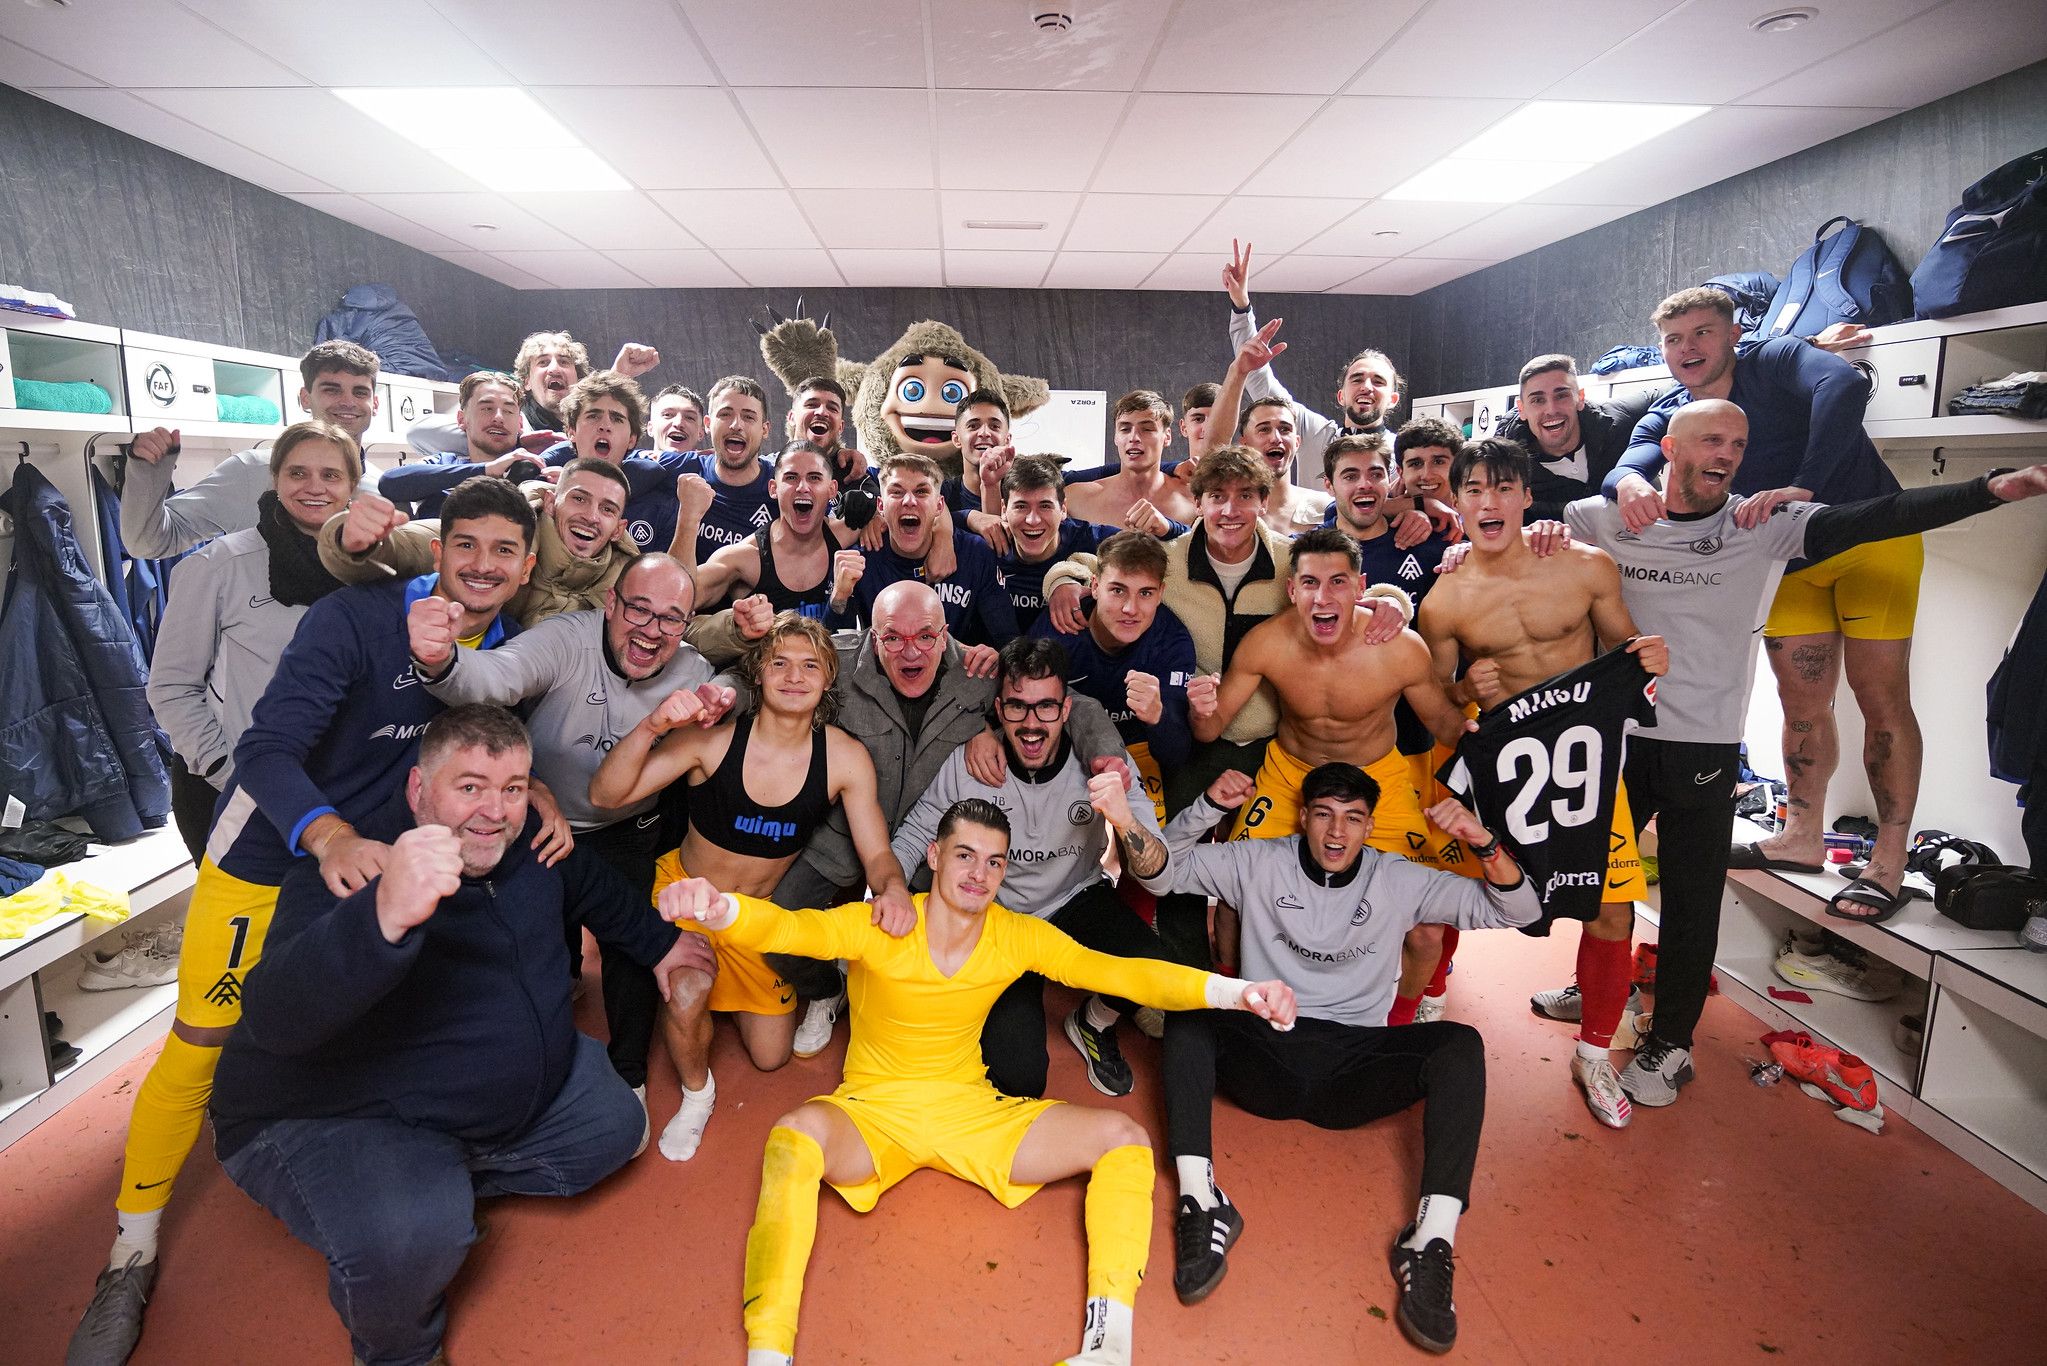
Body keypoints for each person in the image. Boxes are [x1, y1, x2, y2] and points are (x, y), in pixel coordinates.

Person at [67, 478, 546, 1365]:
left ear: (524, 569)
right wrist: (324, 834)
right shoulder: (357, 615)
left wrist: (536, 789)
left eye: (503, 551)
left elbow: (475, 752)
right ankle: (129, 1251)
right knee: (204, 1037)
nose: (482, 565)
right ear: (437, 551)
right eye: (465, 545)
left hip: (372, 869)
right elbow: (264, 749)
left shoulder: (503, 647)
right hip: (277, 853)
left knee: (354, 1017)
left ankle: (382, 1192)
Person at [658, 800, 1298, 1366]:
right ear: (934, 856)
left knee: (1123, 1138)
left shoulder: (1015, 934)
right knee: (792, 1137)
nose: (978, 874)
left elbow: (1122, 973)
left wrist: (1239, 993)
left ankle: (1110, 1347)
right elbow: (792, 930)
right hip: (874, 1114)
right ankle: (770, 1352)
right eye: (964, 855)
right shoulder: (881, 923)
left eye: (994, 863)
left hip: (971, 1113)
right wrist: (722, 910)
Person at [1567, 401, 2047, 1106]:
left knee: (1692, 898)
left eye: (1738, 441)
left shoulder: (1761, 527)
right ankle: (1593, 993)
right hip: (1614, 738)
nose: (1726, 452)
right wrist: (1479, 541)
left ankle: (1670, 1042)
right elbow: (1513, 531)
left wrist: (1985, 490)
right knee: (1595, 885)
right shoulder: (1603, 517)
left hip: (1700, 741)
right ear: (1669, 446)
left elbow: (1878, 515)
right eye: (1710, 439)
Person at [206, 706, 704, 1366]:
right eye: (468, 786)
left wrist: (664, 947)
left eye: (512, 788)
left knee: (616, 1129)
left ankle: (440, 1180)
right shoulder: (358, 868)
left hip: (470, 1099)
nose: (492, 811)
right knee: (415, 1234)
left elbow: (595, 891)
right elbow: (273, 1017)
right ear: (418, 792)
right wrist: (381, 918)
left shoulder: (532, 844)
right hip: (332, 1113)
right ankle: (400, 1347)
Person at [1136, 762, 1538, 1352]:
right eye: (1323, 813)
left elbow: (1520, 911)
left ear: (1370, 826)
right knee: (1188, 1003)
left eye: (1352, 819)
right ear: (1303, 816)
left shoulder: (1401, 878)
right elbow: (1158, 877)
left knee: (1461, 1044)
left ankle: (1431, 1240)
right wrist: (1207, 808)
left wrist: (1485, 842)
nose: (1335, 832)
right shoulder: (1259, 860)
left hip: (1356, 1068)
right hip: (1267, 1052)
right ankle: (1202, 1200)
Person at [1608, 287, 1925, 919]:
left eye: (1702, 333)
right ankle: (1803, 836)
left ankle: (1889, 863)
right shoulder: (1671, 410)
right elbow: (1626, 464)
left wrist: (1806, 483)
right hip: (1788, 564)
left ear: (1732, 335)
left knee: (1880, 697)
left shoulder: (1775, 361)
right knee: (1801, 703)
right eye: (1674, 339)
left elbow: (1841, 386)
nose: (1688, 349)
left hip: (1870, 540)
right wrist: (1633, 483)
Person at [408, 553, 736, 1108]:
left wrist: (730, 692)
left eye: (671, 619)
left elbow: (736, 685)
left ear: (687, 626)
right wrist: (443, 661)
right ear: (610, 604)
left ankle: (628, 1073)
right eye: (639, 609)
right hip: (543, 821)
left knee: (632, 944)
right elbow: (496, 677)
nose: (652, 631)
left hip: (629, 826)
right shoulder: (564, 639)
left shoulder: (692, 669)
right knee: (543, 947)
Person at [588, 613, 916, 1161]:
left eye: (810, 665)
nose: (794, 676)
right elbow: (604, 794)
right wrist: (650, 727)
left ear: (828, 679)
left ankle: (723, 1001)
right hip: (687, 896)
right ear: (758, 672)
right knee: (686, 992)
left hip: (753, 917)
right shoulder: (712, 742)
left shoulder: (843, 757)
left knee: (771, 1057)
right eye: (780, 662)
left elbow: (877, 852)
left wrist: (893, 889)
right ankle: (698, 1094)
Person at [1415, 438, 1668, 1127]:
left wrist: (1648, 655)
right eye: (1473, 490)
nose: (1488, 502)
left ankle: (1592, 1055)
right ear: (1457, 500)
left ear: (1527, 497)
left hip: (1583, 773)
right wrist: (1465, 685)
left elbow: (1626, 649)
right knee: (1444, 897)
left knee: (1612, 912)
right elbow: (1438, 712)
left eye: (1503, 488)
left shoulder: (1585, 567)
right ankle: (1428, 1006)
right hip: (1501, 772)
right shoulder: (1442, 600)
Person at [891, 637, 1171, 1100]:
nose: (1032, 724)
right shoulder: (972, 763)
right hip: (1001, 919)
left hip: (1074, 898)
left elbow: (1161, 877)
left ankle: (1092, 1023)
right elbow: (918, 830)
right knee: (1021, 1079)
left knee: (1154, 968)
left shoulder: (1103, 766)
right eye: (1018, 708)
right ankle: (982, 1003)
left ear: (1067, 710)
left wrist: (1123, 818)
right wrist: (885, 893)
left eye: (1046, 708)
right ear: (998, 710)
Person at [1189, 528, 1460, 1003]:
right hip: (1293, 772)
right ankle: (1233, 1003)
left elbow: (1446, 724)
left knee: (1425, 930)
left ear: (1361, 587)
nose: (1323, 597)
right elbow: (1209, 730)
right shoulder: (1266, 643)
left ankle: (1396, 1028)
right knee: (1233, 896)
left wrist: (1492, 700)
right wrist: (1199, 705)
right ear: (1292, 590)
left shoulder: (1400, 647)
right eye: (1310, 583)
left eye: (1338, 582)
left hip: (1377, 778)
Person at [146, 421, 359, 860]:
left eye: (331, 475)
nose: (313, 487)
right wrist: (228, 769)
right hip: (234, 793)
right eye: (297, 473)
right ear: (276, 480)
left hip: (337, 787)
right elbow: (170, 686)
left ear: (352, 487)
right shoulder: (219, 565)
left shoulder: (370, 568)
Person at [120, 339, 384, 562]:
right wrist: (149, 473)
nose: (348, 402)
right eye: (332, 389)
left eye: (360, 392)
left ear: (374, 403)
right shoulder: (251, 472)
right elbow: (148, 543)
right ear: (305, 397)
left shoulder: (385, 488)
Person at [318, 458, 636, 627]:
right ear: (551, 503)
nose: (591, 516)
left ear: (618, 528)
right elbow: (415, 545)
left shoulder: (626, 574)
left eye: (607, 509)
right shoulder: (507, 527)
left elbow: (680, 619)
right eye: (579, 499)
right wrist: (356, 541)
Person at [1030, 530, 1196, 827]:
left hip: (1139, 751)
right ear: (1094, 586)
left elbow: (1177, 757)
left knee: (1147, 848)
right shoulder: (1059, 631)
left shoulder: (1173, 641)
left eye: (1145, 593)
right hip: (1070, 747)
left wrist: (1158, 716)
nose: (1130, 609)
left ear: (1160, 593)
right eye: (1118, 590)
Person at [1223, 239, 1404, 476]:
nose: (1366, 387)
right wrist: (1241, 306)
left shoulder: (1404, 453)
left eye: (1378, 381)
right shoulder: (1315, 434)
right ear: (1341, 396)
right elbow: (1256, 375)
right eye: (1357, 379)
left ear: (1392, 399)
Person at [835, 452, 1018, 646]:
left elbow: (1007, 640)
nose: (909, 501)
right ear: (880, 505)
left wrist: (992, 657)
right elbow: (836, 649)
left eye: (921, 492)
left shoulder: (975, 554)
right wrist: (839, 597)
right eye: (896, 492)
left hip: (957, 672)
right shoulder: (861, 559)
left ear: (940, 506)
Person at [405, 330, 660, 458]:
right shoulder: (513, 418)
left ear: (578, 378)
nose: (554, 368)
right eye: (542, 362)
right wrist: (512, 440)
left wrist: (618, 375)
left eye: (564, 361)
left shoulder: (594, 427)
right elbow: (418, 434)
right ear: (526, 382)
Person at [685, 440, 850, 622]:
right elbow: (677, 598)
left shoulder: (847, 533)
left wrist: (871, 512)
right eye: (791, 477)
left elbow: (886, 520)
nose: (803, 487)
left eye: (814, 478)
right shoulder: (744, 558)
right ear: (773, 488)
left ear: (832, 489)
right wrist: (688, 519)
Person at [1201, 318, 1333, 534]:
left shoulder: (1326, 507)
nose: (1276, 438)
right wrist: (1238, 371)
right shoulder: (1232, 512)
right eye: (1263, 429)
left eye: (1285, 429)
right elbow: (1212, 451)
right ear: (1244, 443)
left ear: (1297, 442)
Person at [1496, 354, 1658, 522]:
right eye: (1538, 400)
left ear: (1580, 398)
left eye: (1561, 395)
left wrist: (1633, 470)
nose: (1551, 409)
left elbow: (1676, 394)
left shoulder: (1617, 420)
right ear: (1521, 409)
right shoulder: (1504, 466)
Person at [986, 454, 1125, 632]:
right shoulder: (990, 545)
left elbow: (1149, 553)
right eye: (1021, 506)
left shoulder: (1091, 539)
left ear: (1063, 509)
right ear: (1004, 510)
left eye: (1045, 506)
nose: (1033, 520)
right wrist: (969, 516)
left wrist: (1069, 574)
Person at [375, 370, 536, 519]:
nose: (499, 417)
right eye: (487, 408)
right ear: (461, 420)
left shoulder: (532, 465)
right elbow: (390, 482)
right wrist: (485, 471)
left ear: (520, 424)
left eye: (508, 411)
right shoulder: (444, 463)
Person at [665, 375, 779, 567]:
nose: (736, 425)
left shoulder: (783, 486)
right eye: (725, 414)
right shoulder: (681, 469)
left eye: (749, 417)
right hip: (691, 594)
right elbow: (617, 461)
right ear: (708, 424)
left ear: (765, 429)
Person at [1065, 390, 1199, 529]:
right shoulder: (1075, 499)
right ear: (1116, 437)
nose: (1134, 437)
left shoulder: (1194, 501)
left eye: (1147, 429)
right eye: (1125, 429)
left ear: (1167, 436)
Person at [651, 382, 707, 456]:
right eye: (667, 415)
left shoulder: (714, 466)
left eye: (689, 417)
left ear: (700, 433)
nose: (678, 423)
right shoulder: (632, 464)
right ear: (650, 428)